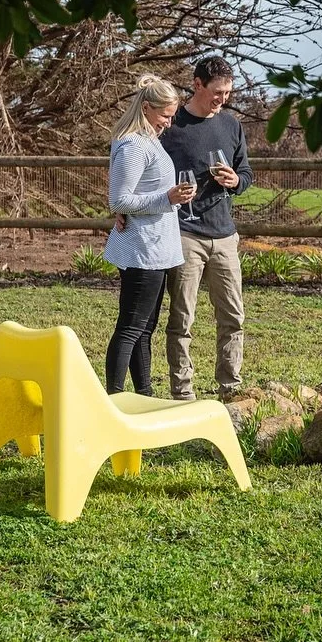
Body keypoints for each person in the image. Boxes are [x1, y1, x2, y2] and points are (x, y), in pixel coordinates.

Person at [160, 56, 252, 400]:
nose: (223, 99)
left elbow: (246, 173)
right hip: (185, 234)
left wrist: (235, 181)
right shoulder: (171, 126)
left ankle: (230, 389)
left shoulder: (231, 126)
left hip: (225, 235)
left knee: (233, 317)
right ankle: (182, 393)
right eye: (217, 92)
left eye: (227, 92)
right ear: (197, 84)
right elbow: (146, 172)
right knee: (182, 319)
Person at [102, 75, 195, 396]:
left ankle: (144, 396)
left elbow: (137, 191)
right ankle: (113, 399)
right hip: (142, 251)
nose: (169, 123)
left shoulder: (149, 139)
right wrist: (166, 198)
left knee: (144, 329)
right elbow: (119, 199)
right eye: (165, 116)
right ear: (146, 108)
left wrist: (170, 196)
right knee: (130, 329)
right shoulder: (133, 145)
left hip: (156, 250)